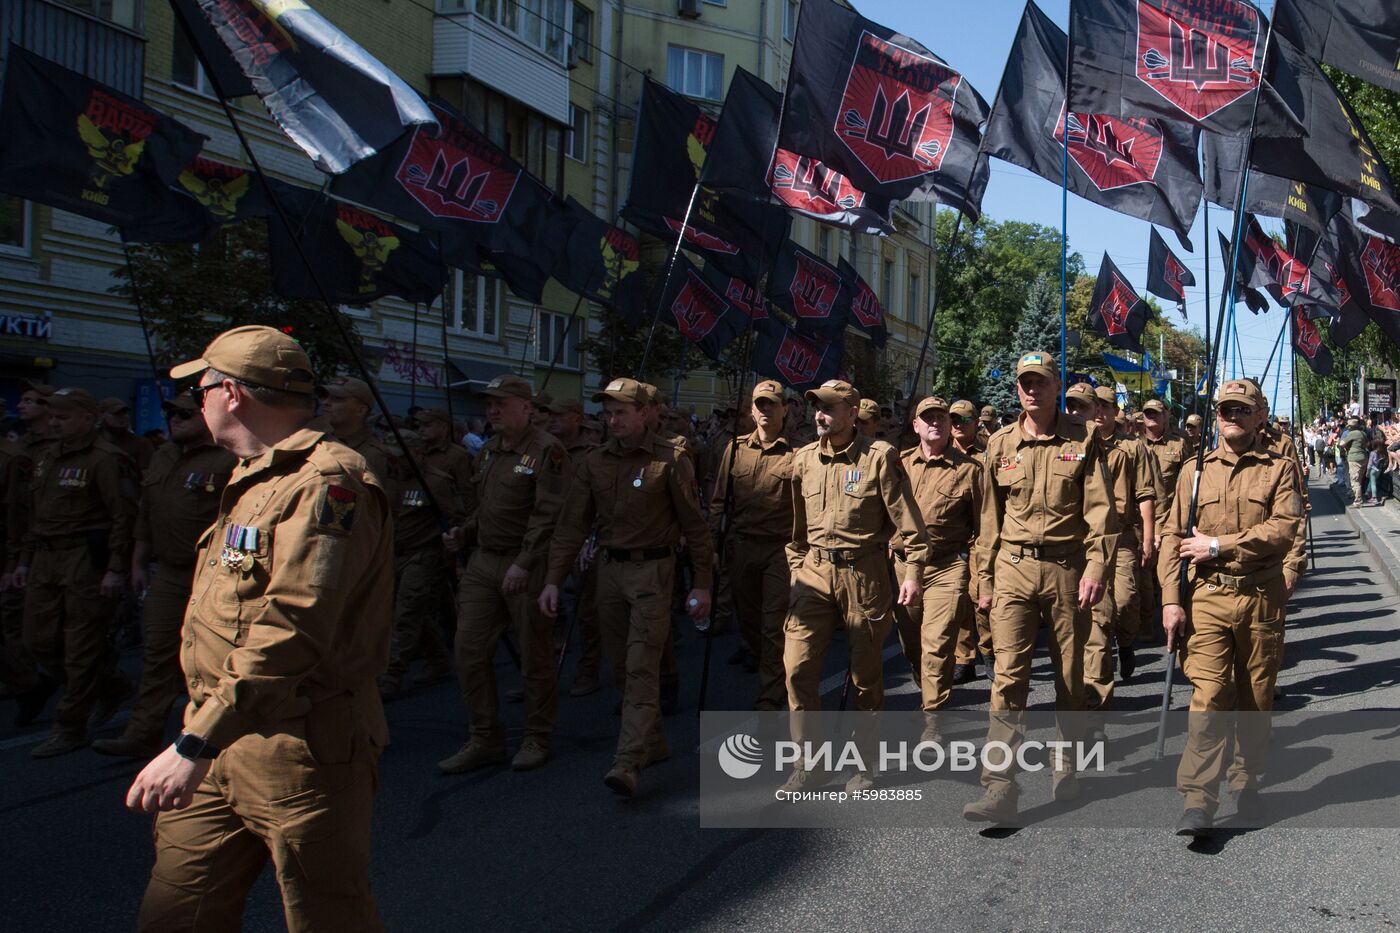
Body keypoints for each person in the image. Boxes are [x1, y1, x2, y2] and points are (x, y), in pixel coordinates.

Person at [127, 325, 393, 929]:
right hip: (220, 731)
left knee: (327, 916)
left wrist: (196, 741)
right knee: (176, 913)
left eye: (201, 386)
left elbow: (295, 623)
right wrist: (204, 735)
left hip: (298, 746)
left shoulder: (327, 480)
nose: (197, 399)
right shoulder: (255, 473)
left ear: (232, 394)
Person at [539, 377, 712, 798]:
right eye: (608, 412)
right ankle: (652, 743)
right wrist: (552, 580)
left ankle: (628, 759)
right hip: (608, 573)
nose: (612, 420)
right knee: (620, 664)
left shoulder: (670, 459)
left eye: (621, 412)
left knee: (640, 665)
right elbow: (571, 527)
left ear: (643, 414)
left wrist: (703, 585)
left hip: (653, 571)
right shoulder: (593, 462)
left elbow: (695, 525)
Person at [963, 353, 1117, 823]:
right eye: (1025, 383)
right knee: (1008, 678)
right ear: (1017, 390)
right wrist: (983, 579)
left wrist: (1096, 568)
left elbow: (1101, 512)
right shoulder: (1000, 445)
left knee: (1071, 677)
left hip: (1068, 570)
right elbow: (988, 520)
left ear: (1056, 386)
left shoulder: (1083, 438)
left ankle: (1066, 762)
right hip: (1012, 568)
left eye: (1041, 382)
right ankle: (999, 789)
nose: (1032, 390)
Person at [1160, 379, 1301, 838]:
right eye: (1224, 409)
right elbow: (1171, 537)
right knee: (1210, 696)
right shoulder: (1194, 472)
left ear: (1261, 415)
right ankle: (1199, 798)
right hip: (1208, 598)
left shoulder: (1279, 470)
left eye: (1241, 410)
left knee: (1254, 698)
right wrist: (1168, 601)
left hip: (1260, 597)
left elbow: (1282, 530)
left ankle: (1247, 779)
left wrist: (1219, 544)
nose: (1230, 416)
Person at [781, 379, 927, 794]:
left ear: (851, 412)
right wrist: (797, 569)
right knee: (797, 668)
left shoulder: (879, 457)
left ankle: (864, 763)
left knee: (865, 675)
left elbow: (908, 524)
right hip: (813, 574)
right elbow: (795, 530)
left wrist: (913, 573)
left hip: (863, 575)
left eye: (829, 408)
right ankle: (808, 763)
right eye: (816, 408)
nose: (820, 415)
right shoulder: (804, 459)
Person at [92, 391, 236, 758]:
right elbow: (147, 512)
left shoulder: (229, 458)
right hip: (169, 573)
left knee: (212, 657)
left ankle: (213, 737)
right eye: (170, 412)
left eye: (185, 412)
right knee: (157, 652)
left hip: (214, 573)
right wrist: (138, 561)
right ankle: (142, 732)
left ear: (207, 416)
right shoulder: (164, 455)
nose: (175, 418)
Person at [438, 375, 567, 774]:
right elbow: (485, 506)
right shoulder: (489, 452)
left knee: (534, 654)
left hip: (525, 564)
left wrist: (525, 563)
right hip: (484, 562)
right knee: (469, 650)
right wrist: (465, 531)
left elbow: (549, 514)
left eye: (501, 403)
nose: (492, 410)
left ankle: (536, 735)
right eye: (489, 404)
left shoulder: (548, 451)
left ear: (526, 408)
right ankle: (485, 736)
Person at [14, 387, 136, 758]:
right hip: (45, 557)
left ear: (88, 417)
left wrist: (116, 568)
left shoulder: (105, 459)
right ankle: (110, 685)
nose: (54, 423)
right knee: (37, 641)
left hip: (84, 557)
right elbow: (32, 515)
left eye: (63, 417)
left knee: (80, 646)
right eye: (52, 416)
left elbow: (122, 516)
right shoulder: (46, 456)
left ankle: (70, 726)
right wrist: (23, 560)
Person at [1064, 384, 1157, 712]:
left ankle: (1128, 640)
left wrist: (1148, 537)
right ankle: (1095, 703)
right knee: (1097, 619)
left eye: (1102, 406)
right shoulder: (1068, 446)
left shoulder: (1132, 448)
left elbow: (1146, 494)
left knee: (1128, 601)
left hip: (1122, 537)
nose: (1095, 412)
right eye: (1074, 407)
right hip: (1084, 542)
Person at [894, 396, 984, 727]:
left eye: (941, 418)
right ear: (915, 425)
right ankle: (928, 686)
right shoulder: (897, 465)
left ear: (949, 425)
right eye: (927, 417)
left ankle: (932, 721)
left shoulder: (970, 470)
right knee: (913, 647)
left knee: (936, 645)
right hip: (902, 568)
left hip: (946, 568)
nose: (935, 422)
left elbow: (982, 530)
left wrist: (981, 577)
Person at [709, 379, 795, 712]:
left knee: (773, 622)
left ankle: (770, 695)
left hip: (779, 549)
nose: (765, 410)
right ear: (751, 410)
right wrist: (712, 546)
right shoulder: (735, 449)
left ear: (784, 410)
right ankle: (775, 670)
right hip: (741, 546)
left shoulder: (798, 453)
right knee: (749, 623)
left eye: (772, 404)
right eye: (760, 404)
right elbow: (719, 501)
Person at [377, 430, 460, 701]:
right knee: (407, 614)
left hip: (423, 556)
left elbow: (455, 518)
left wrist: (453, 552)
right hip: (393, 554)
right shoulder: (389, 480)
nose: (396, 461)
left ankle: (392, 675)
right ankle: (438, 659)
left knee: (407, 615)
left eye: (401, 456)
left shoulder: (435, 482)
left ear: (418, 453)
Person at [547, 397, 603, 697]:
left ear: (576, 418)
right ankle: (540, 675)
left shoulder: (593, 455)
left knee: (587, 611)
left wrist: (590, 540)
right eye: (548, 415)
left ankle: (587, 669)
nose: (551, 420)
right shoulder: (543, 450)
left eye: (558, 413)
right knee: (541, 610)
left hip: (582, 540)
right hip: (549, 539)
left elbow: (600, 503)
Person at [949, 398, 991, 682]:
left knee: (981, 598)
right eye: (954, 420)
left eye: (964, 420)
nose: (958, 425)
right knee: (959, 600)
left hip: (981, 537)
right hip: (953, 539)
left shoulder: (988, 454)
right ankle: (964, 657)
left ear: (976, 423)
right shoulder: (943, 452)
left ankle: (989, 651)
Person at [318, 377, 394, 485]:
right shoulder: (316, 439)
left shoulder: (375, 456)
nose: (325, 402)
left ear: (360, 410)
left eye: (337, 399)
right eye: (325, 397)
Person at [98, 397, 156, 473]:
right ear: (101, 416)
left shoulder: (141, 444)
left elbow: (148, 477)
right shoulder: (92, 441)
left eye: (124, 413)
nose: (122, 417)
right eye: (116, 414)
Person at [1339, 417, 1369, 505]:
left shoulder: (1352, 434)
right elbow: (1367, 444)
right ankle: (1359, 498)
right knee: (1359, 479)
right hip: (1363, 457)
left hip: (1354, 458)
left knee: (1355, 480)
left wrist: (1346, 445)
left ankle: (1358, 501)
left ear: (1351, 427)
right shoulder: (1363, 433)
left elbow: (1341, 444)